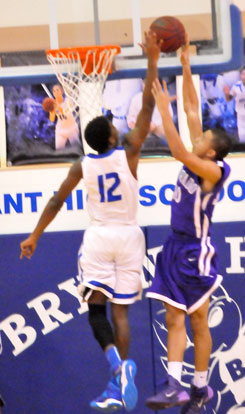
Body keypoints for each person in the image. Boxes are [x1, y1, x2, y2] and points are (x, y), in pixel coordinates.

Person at [20, 30, 161, 413]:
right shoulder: (129, 152)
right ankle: (122, 380)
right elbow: (147, 104)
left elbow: (55, 201)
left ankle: (116, 368)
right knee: (122, 312)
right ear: (113, 136)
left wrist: (34, 235)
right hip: (130, 237)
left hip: (99, 238)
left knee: (96, 310)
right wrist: (152, 60)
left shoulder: (82, 165)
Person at [145, 35, 232, 413]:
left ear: (210, 152)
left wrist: (163, 108)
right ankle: (176, 386)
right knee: (172, 316)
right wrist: (185, 67)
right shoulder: (204, 153)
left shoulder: (211, 170)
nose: (197, 136)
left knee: (197, 321)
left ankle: (197, 389)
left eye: (203, 138)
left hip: (195, 251)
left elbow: (179, 147)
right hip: (175, 246)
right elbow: (194, 109)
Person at [49, 84, 81, 150]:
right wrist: (52, 111)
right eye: (54, 91)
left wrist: (58, 107)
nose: (55, 92)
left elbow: (65, 113)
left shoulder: (68, 101)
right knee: (59, 151)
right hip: (60, 129)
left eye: (57, 90)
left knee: (78, 149)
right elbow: (52, 119)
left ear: (61, 91)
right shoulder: (53, 104)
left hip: (71, 128)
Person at [223, 66, 245, 142]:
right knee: (242, 135)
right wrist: (226, 94)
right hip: (240, 114)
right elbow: (229, 99)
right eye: (243, 74)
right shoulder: (236, 86)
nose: (244, 76)